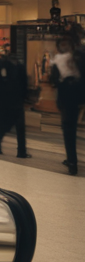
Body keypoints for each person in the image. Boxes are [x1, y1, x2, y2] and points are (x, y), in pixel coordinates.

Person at [50, 36, 82, 175]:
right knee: (71, 127)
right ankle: (71, 160)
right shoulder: (79, 57)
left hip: (66, 97)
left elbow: (53, 79)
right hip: (79, 96)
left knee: (68, 130)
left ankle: (72, 162)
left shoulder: (57, 59)